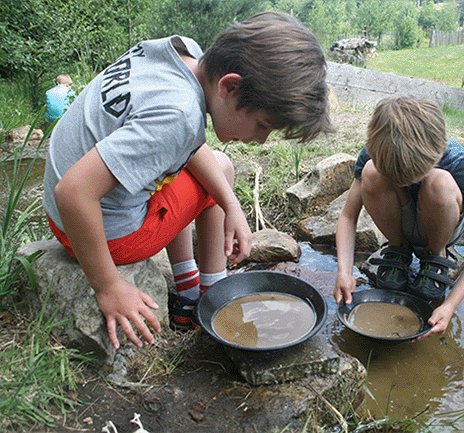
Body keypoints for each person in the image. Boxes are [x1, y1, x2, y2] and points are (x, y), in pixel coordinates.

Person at [42, 12, 332, 350]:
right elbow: (74, 193)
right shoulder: (179, 116)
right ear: (230, 86)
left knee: (211, 171)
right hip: (99, 232)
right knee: (221, 168)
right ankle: (210, 296)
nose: (261, 140)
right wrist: (108, 286)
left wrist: (232, 204)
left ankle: (188, 290)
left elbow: (178, 142)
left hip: (66, 212)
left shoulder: (177, 54)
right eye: (263, 125)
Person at [334, 95, 464, 340]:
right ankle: (399, 249)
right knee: (371, 172)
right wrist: (344, 271)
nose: (402, 184)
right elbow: (347, 217)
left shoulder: (456, 160)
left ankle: (435, 255)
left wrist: (449, 305)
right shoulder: (374, 152)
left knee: (439, 182)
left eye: (407, 179)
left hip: (441, 224)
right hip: (401, 221)